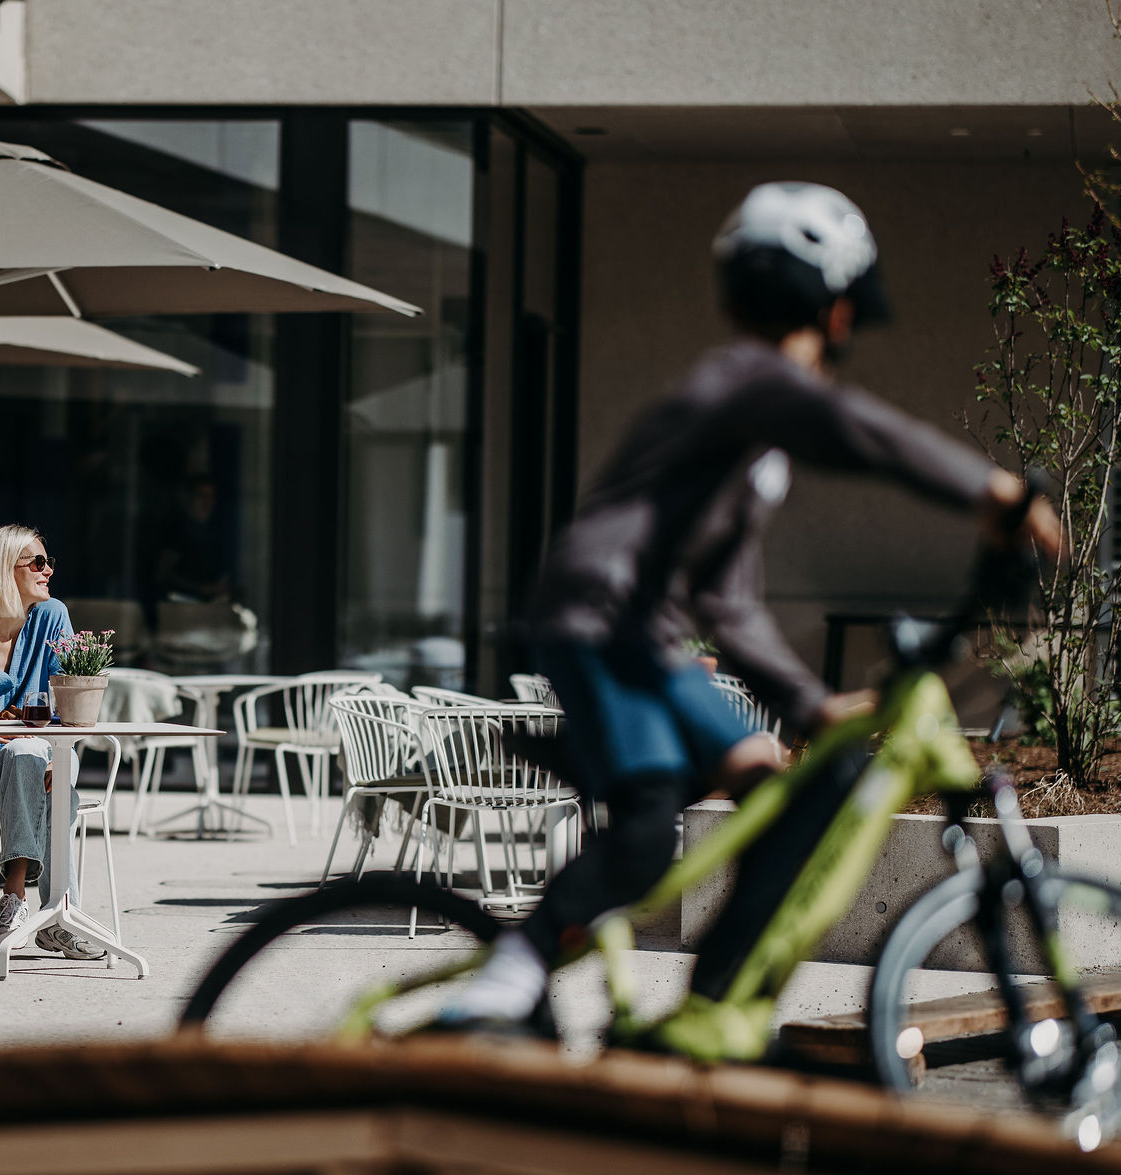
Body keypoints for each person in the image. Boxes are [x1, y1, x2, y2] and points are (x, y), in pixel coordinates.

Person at [442, 181, 1063, 1048]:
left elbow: (728, 601)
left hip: (644, 638)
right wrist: (991, 487)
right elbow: (857, 430)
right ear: (840, 313)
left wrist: (808, 706)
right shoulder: (748, 385)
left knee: (777, 783)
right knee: (649, 826)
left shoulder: (746, 441)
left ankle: (712, 1006)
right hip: (597, 621)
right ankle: (496, 990)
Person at [0, 525, 103, 960]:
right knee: (29, 757)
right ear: (2, 572)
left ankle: (24, 909)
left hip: (37, 759)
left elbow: (70, 700)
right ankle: (55, 916)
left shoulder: (52, 617)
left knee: (41, 765)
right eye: (37, 562)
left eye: (48, 561)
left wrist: (56, 755)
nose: (48, 570)